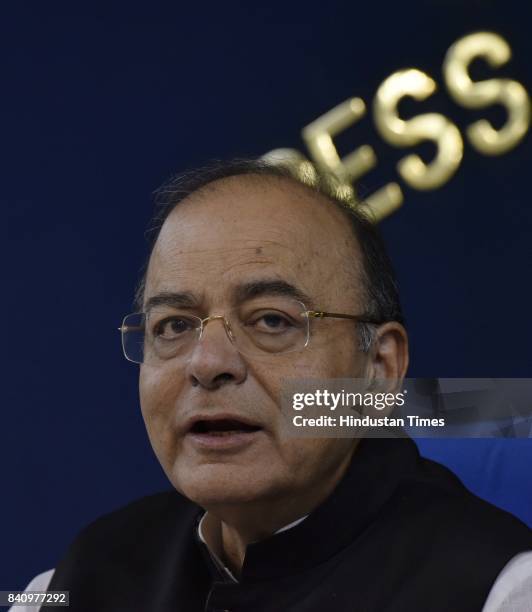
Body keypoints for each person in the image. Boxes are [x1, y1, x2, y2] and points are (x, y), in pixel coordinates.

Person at [15, 159, 532, 611]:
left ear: (379, 367)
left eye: (271, 321)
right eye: (173, 325)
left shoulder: (499, 592)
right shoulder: (77, 581)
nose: (207, 362)